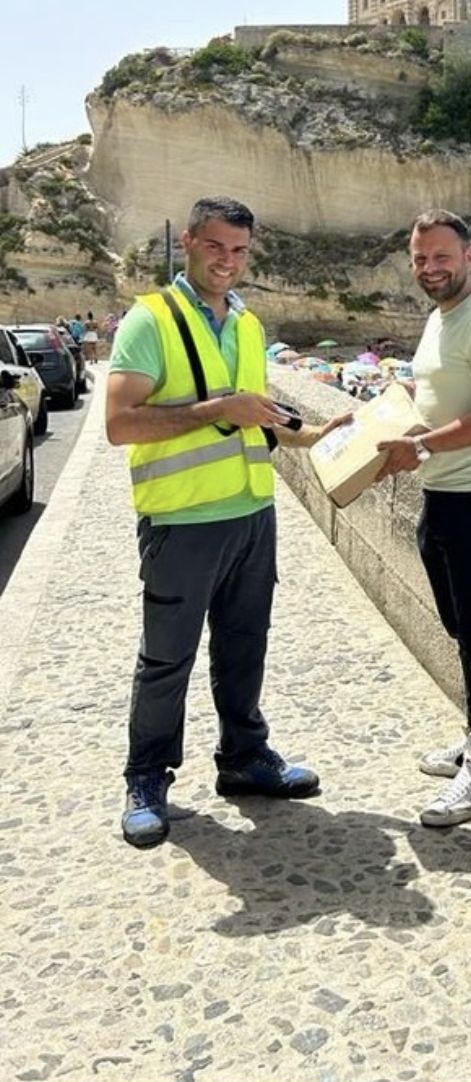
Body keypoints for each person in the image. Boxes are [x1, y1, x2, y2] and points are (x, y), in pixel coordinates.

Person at [106, 196, 352, 851]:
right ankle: (145, 779)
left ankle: (245, 759)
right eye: (216, 246)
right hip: (182, 519)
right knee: (166, 661)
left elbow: (259, 415)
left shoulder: (246, 323)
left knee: (245, 648)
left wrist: (322, 432)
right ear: (188, 241)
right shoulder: (150, 319)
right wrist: (218, 409)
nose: (228, 261)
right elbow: (119, 423)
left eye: (240, 250)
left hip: (252, 514)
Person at [373, 209, 471, 829]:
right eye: (420, 259)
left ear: (470, 256)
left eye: (441, 256)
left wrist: (425, 447)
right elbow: (433, 400)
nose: (430, 269)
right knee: (462, 630)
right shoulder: (440, 319)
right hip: (442, 496)